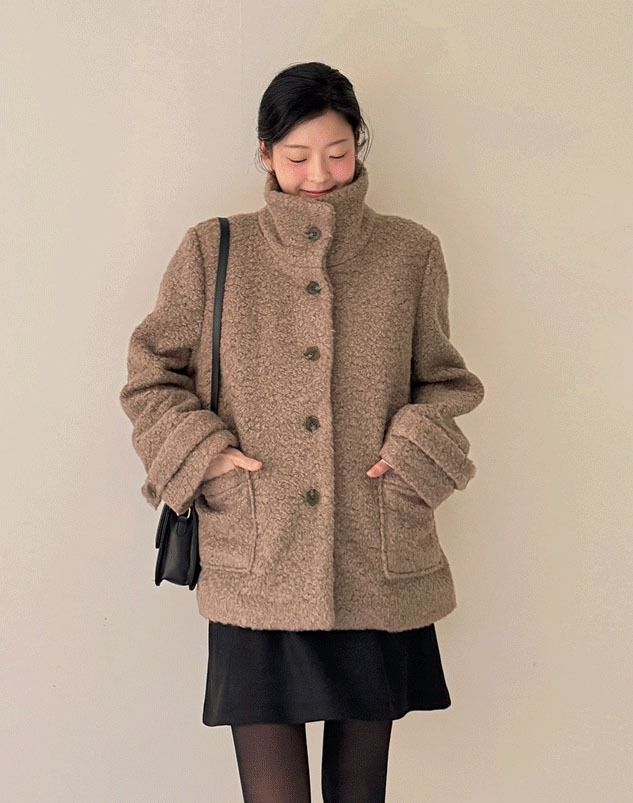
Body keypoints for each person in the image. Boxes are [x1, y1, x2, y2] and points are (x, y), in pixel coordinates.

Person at [120, 61, 485, 803]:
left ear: (358, 146)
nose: (318, 174)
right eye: (296, 156)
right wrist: (205, 456)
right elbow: (149, 374)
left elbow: (447, 382)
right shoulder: (213, 249)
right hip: (258, 556)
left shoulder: (410, 253)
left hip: (372, 556)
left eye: (337, 153)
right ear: (264, 153)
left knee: (361, 791)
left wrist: (409, 455)